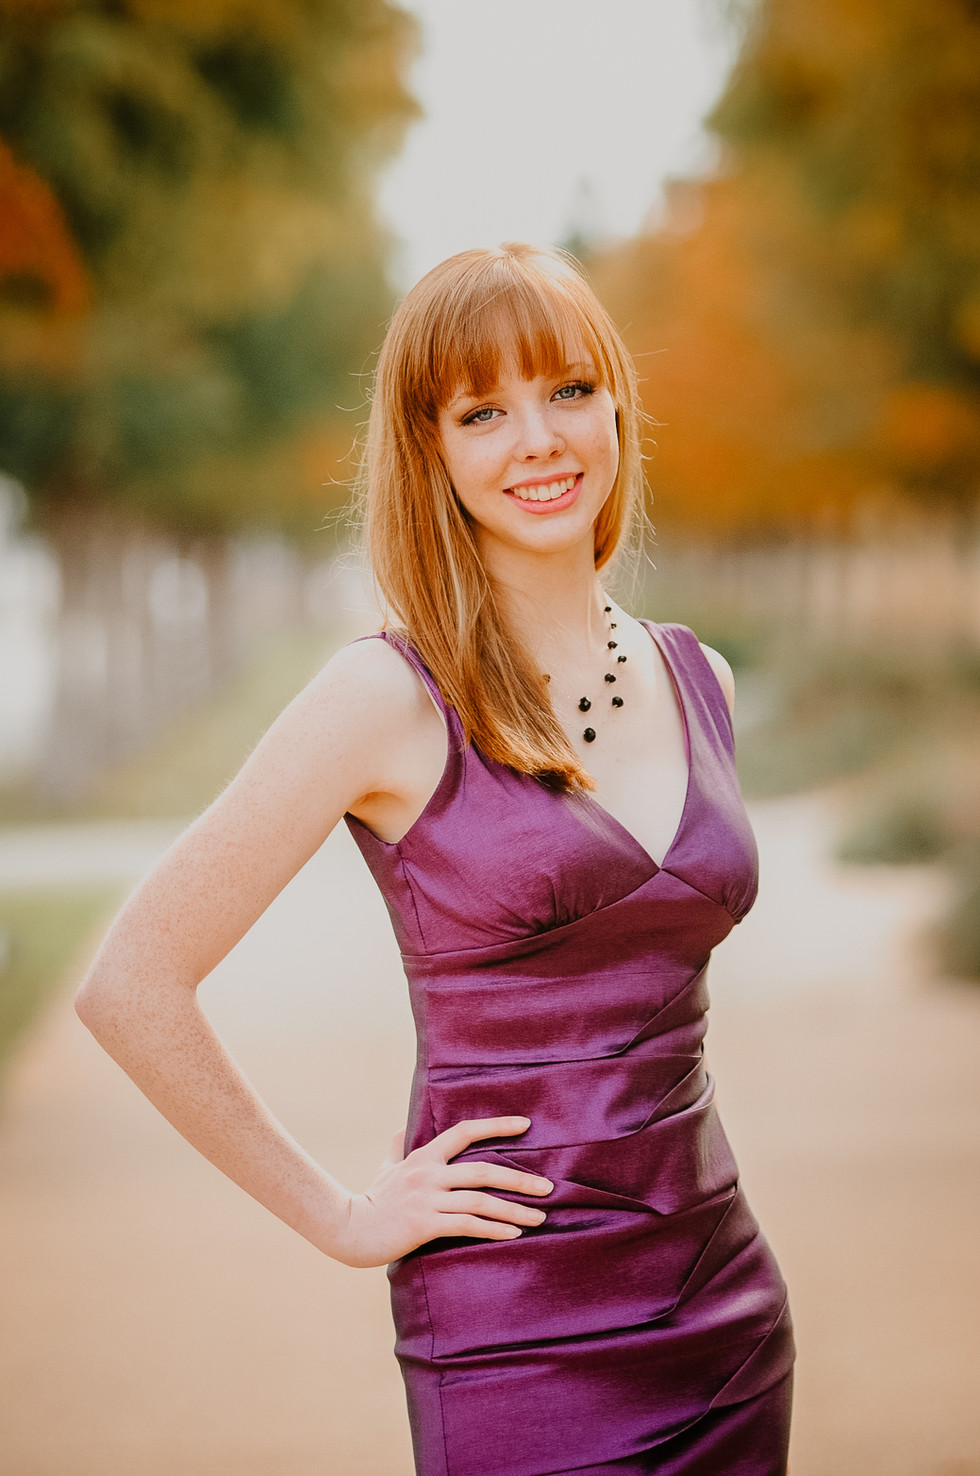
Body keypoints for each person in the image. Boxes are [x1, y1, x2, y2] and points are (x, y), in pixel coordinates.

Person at [76, 242, 795, 1474]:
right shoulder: (383, 697)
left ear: (617, 399)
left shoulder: (700, 678)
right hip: (517, 1334)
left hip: (724, 1311)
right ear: (433, 453)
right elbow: (130, 982)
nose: (539, 441)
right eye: (482, 412)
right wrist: (346, 1219)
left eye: (568, 390)